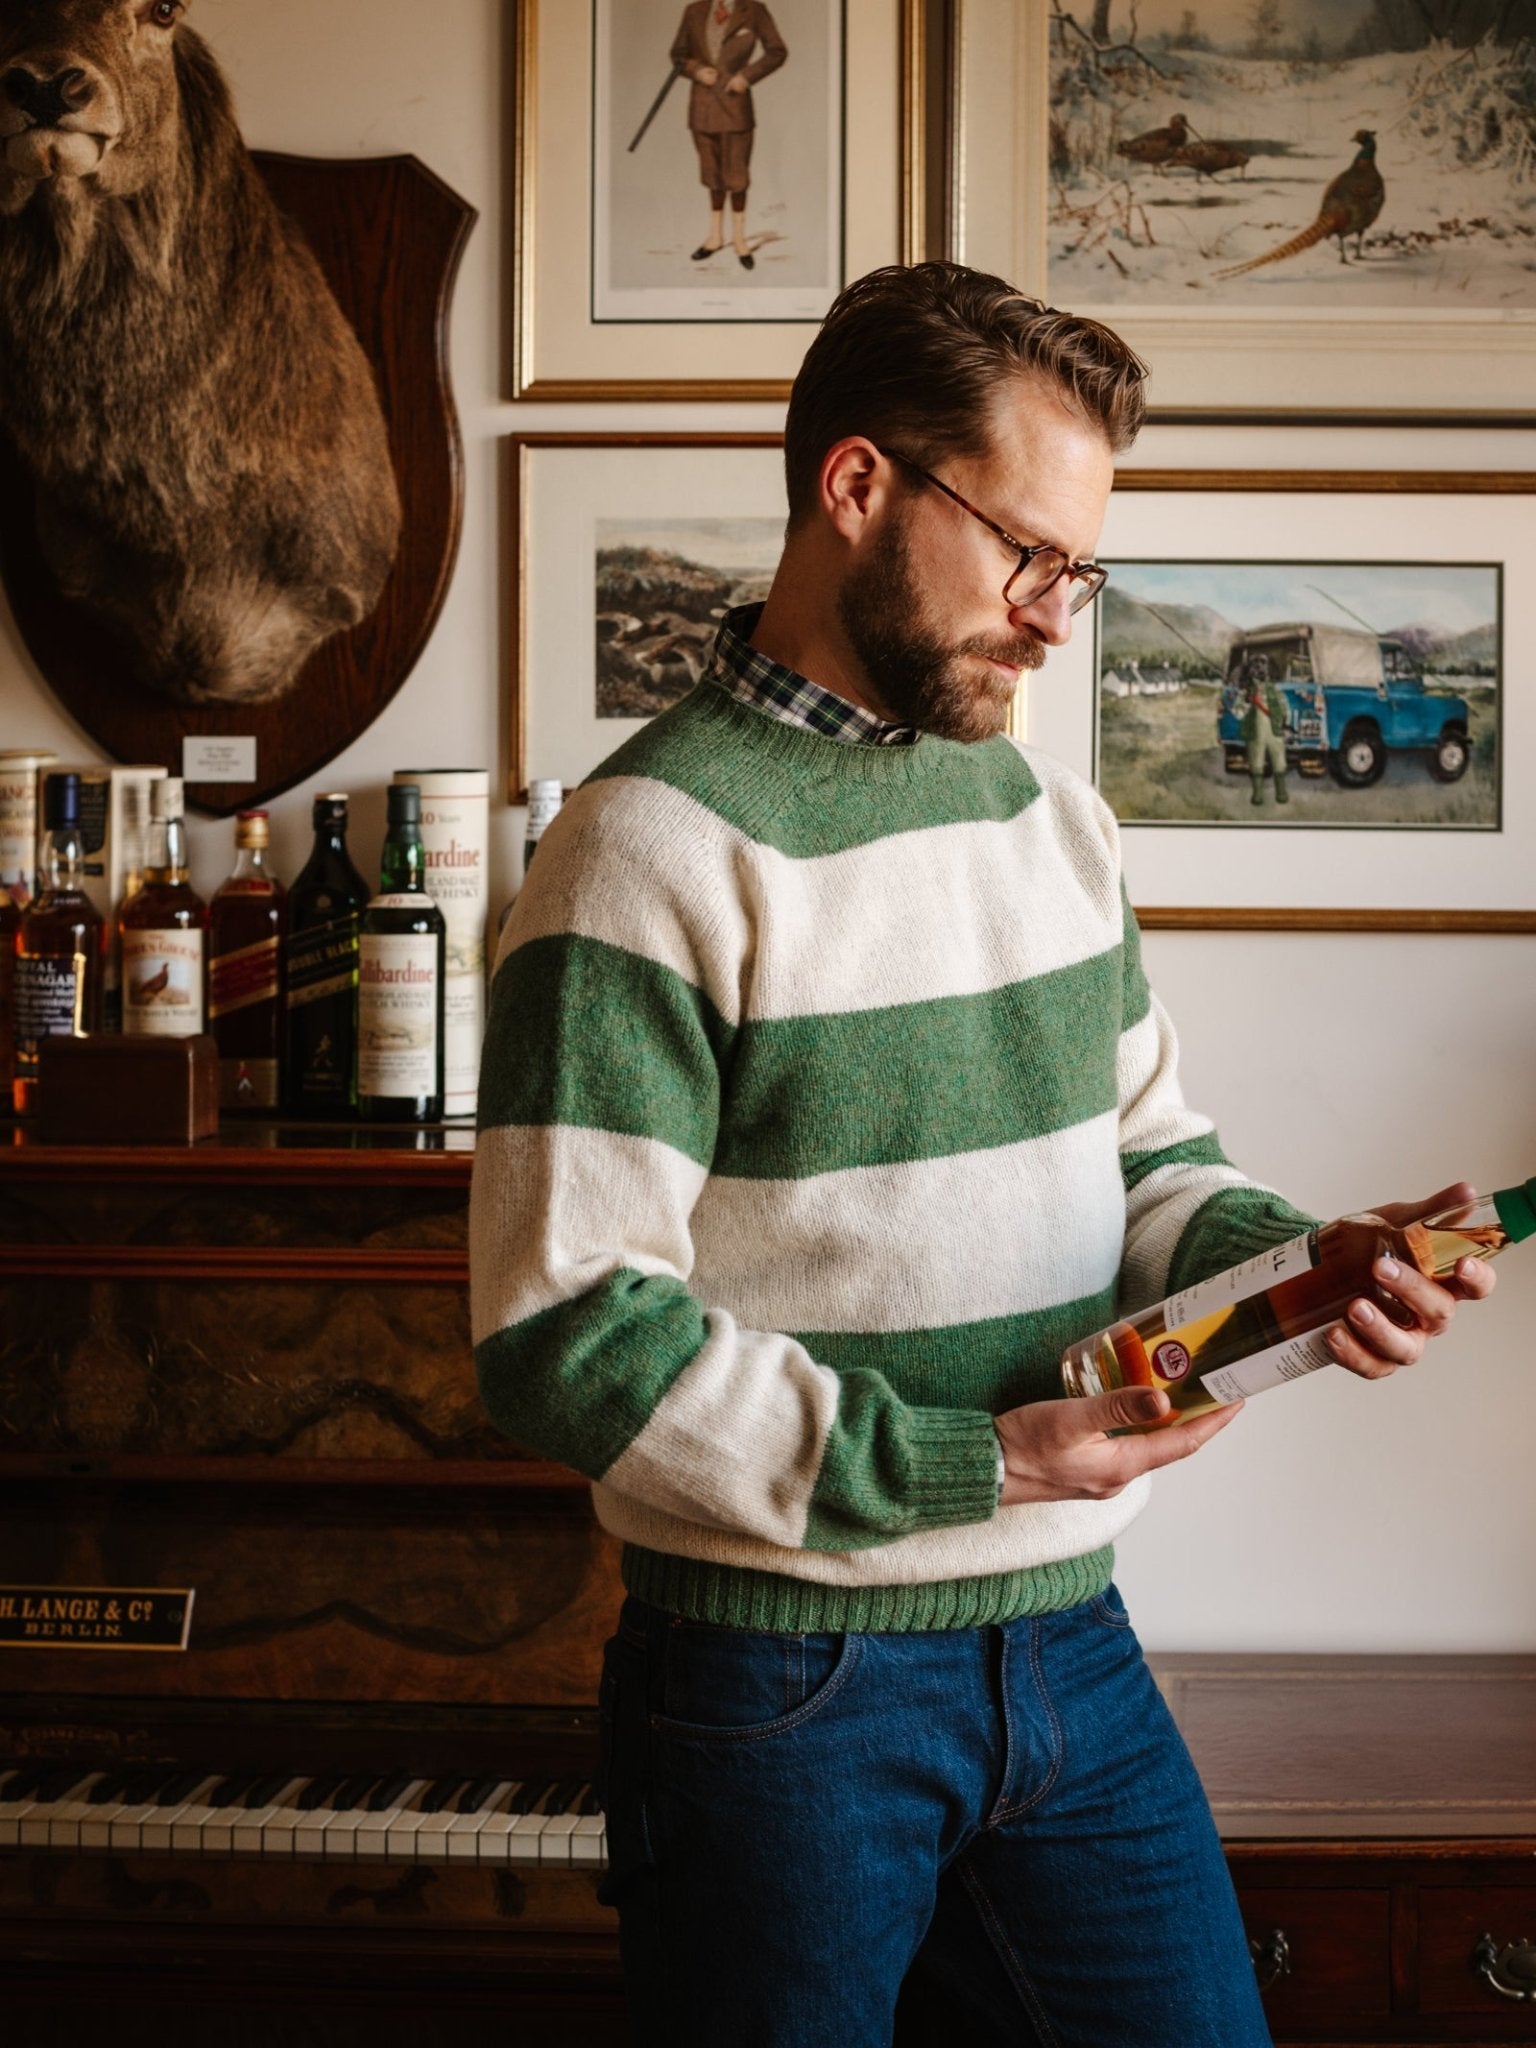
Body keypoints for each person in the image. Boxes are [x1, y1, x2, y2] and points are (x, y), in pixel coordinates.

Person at [469, 262, 1494, 2048]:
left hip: (1073, 1644)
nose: (1054, 618)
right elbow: (568, 1331)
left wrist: (1302, 1268)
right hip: (777, 1683)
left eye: (1079, 570)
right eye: (1027, 553)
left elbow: (1151, 1165)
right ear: (858, 487)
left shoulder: (1051, 820)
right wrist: (971, 1458)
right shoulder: (638, 855)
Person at [669, 0, 787, 270]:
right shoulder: (695, 11)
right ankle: (714, 237)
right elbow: (678, 54)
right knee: (712, 175)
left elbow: (777, 51)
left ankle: (739, 238)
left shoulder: (754, 10)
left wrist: (745, 77)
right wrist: (696, 70)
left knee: (737, 176)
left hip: (736, 109)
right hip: (702, 109)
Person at [1242, 649, 1291, 806]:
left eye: (1262, 663)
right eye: (1255, 664)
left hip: (1274, 731)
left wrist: (1285, 723)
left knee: (1279, 762)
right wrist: (1247, 700)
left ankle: (1281, 793)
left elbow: (1284, 708)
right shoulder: (1246, 692)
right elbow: (1238, 712)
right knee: (1256, 764)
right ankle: (1257, 795)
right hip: (1254, 732)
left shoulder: (1274, 689)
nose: (1258, 667)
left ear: (1268, 668)